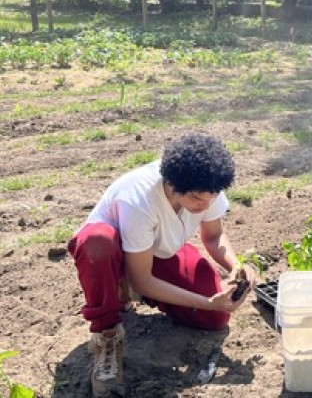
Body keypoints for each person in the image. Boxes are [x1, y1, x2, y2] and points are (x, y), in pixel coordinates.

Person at [67, 132, 254, 397]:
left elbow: (212, 236)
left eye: (210, 199)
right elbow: (144, 278)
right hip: (112, 256)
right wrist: (205, 300)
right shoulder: (139, 200)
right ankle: (107, 334)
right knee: (97, 243)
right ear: (172, 185)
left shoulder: (206, 185)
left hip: (154, 253)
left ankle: (129, 288)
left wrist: (235, 265)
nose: (205, 206)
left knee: (216, 317)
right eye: (197, 200)